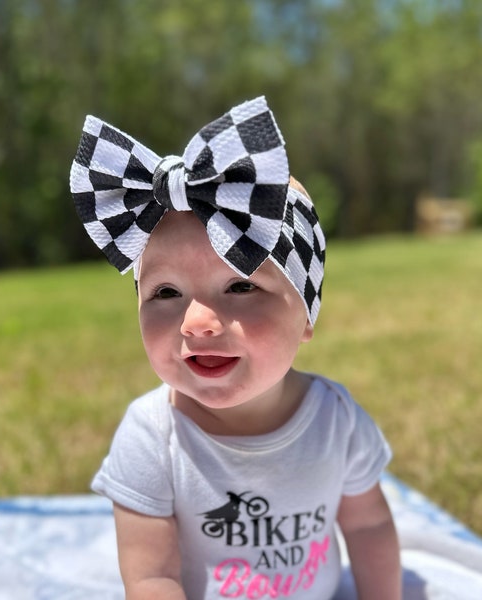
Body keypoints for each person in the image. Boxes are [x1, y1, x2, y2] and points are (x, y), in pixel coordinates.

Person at [70, 96, 401, 600]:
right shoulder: (152, 437)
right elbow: (151, 577)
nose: (198, 322)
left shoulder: (337, 421)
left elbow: (369, 529)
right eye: (165, 293)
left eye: (241, 286)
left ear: (305, 313)